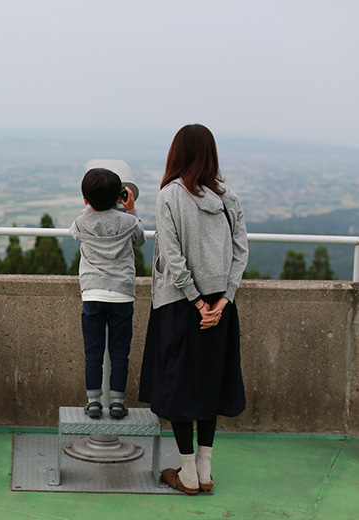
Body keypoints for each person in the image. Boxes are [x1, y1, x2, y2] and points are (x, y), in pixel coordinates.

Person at [138, 124, 248, 494]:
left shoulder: (170, 195)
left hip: (180, 305)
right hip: (220, 308)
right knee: (210, 385)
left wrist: (197, 301)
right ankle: (204, 470)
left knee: (179, 386)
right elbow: (240, 251)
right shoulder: (228, 196)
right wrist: (222, 300)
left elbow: (171, 254)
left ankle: (186, 473)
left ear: (177, 153)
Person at [70, 163, 146, 420]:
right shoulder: (128, 221)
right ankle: (116, 402)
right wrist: (130, 208)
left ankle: (93, 402)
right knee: (119, 353)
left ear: (85, 198)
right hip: (122, 295)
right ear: (119, 195)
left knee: (93, 352)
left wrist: (90, 205)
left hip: (92, 293)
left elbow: (75, 231)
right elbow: (140, 239)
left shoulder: (82, 222)